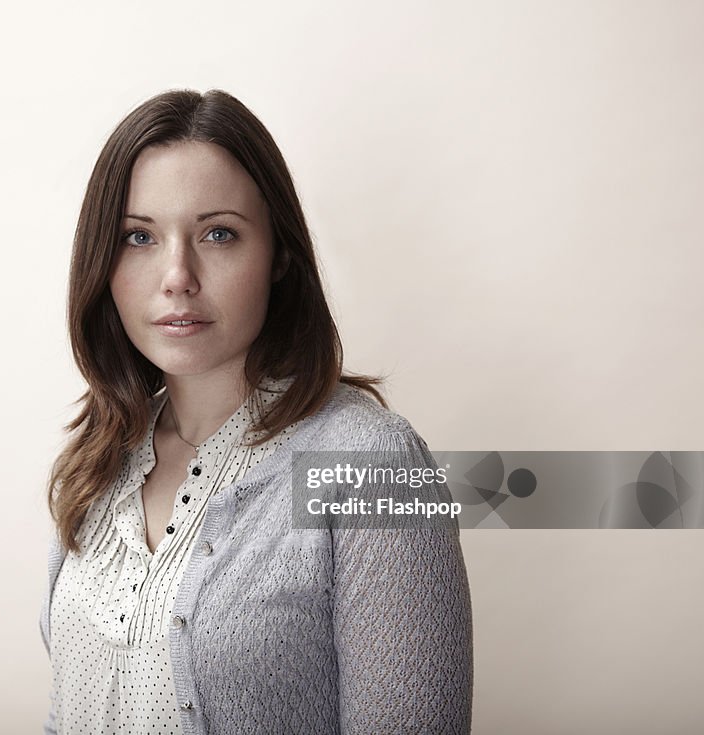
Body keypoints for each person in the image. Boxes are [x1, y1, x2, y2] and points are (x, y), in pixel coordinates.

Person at [39, 88, 473, 735]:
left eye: (218, 233)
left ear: (280, 258)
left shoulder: (373, 467)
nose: (177, 275)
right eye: (139, 236)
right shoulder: (98, 459)